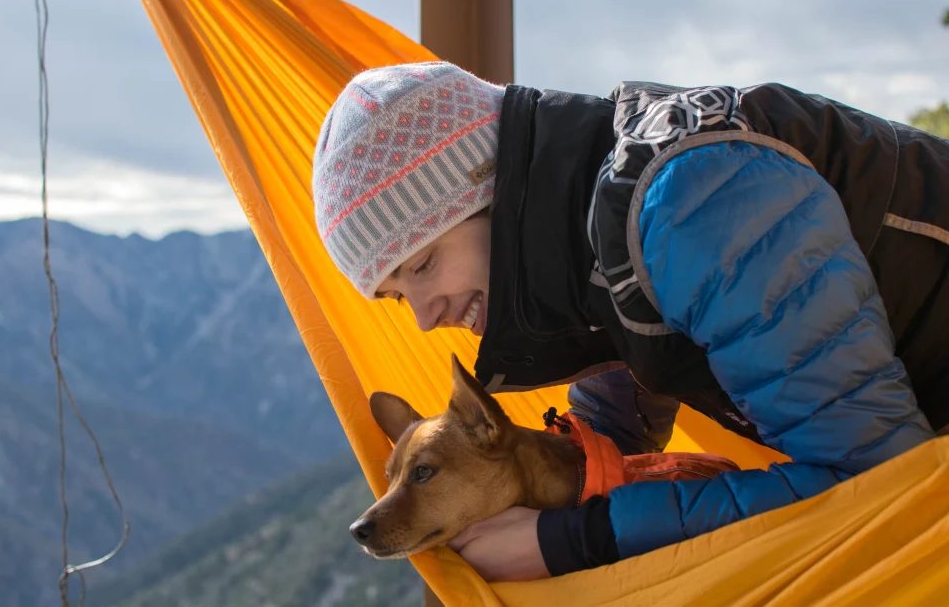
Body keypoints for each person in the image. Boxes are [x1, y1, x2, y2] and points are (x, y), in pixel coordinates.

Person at [311, 60, 946, 582]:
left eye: (422, 265)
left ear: (492, 191)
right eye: (396, 297)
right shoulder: (591, 244)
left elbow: (881, 489)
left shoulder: (693, 200)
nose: (424, 319)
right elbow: (609, 432)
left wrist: (573, 540)